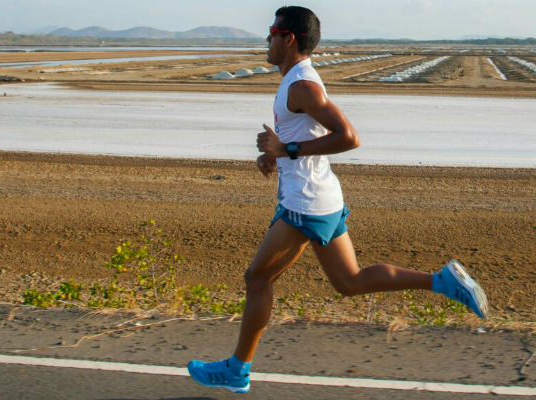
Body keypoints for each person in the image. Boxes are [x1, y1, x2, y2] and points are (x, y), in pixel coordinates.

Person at [187, 6, 488, 394]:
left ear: (288, 38)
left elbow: (349, 137)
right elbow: (306, 137)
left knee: (257, 278)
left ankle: (237, 369)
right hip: (318, 197)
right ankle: (443, 281)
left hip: (306, 204)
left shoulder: (302, 86)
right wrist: (275, 154)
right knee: (350, 281)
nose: (266, 39)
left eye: (272, 32)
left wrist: (287, 148)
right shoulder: (295, 83)